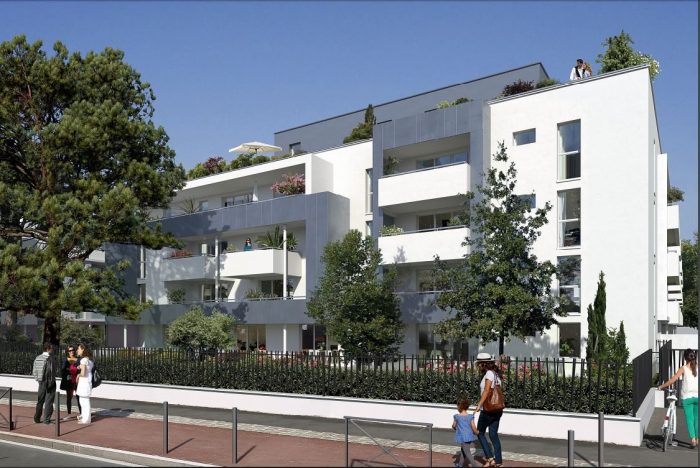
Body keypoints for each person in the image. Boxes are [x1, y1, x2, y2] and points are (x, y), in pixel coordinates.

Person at [658, 348, 699, 448]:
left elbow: (672, 380)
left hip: (687, 398)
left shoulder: (683, 368)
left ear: (685, 358)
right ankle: (697, 439)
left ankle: (693, 440)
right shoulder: (698, 367)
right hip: (697, 397)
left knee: (690, 419)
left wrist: (661, 386)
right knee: (696, 419)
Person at [474, 352, 504, 467]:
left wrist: (479, 405)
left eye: (479, 364)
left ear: (483, 364)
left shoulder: (489, 374)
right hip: (497, 409)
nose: (478, 366)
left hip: (488, 409)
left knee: (479, 432)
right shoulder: (496, 374)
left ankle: (490, 458)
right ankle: (498, 461)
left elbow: (486, 391)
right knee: (493, 435)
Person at [32, 342, 57, 424]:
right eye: (52, 348)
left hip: (41, 381)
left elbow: (34, 370)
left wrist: (38, 379)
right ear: (48, 349)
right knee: (49, 401)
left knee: (40, 400)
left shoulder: (38, 358)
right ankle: (46, 420)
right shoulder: (51, 358)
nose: (53, 349)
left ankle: (36, 418)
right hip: (50, 381)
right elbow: (52, 370)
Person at [452, 397, 479, 467]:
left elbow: (454, 426)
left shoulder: (456, 417)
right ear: (467, 407)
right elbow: (473, 427)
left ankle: (475, 466)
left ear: (459, 407)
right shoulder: (470, 416)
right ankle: (460, 465)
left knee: (467, 452)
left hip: (462, 437)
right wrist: (476, 432)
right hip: (469, 436)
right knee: (463, 450)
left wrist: (455, 428)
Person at [59, 345, 82, 420]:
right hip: (69, 381)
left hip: (77, 381)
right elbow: (63, 370)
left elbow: (81, 369)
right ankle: (69, 414)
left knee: (79, 397)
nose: (72, 352)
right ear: (67, 352)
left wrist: (70, 369)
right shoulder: (65, 359)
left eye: (73, 350)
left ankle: (81, 413)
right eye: (70, 350)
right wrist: (73, 369)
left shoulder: (78, 359)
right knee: (69, 397)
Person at [75, 343, 94, 424]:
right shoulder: (89, 360)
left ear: (83, 349)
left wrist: (78, 375)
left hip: (84, 383)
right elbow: (86, 370)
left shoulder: (83, 360)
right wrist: (80, 366)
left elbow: (83, 373)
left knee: (84, 401)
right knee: (84, 400)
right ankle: (84, 417)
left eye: (79, 349)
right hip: (87, 382)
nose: (77, 350)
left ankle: (86, 419)